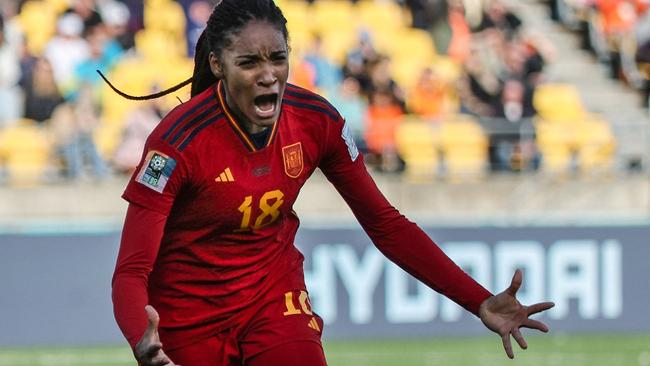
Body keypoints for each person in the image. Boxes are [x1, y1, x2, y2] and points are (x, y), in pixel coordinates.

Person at [109, 1, 554, 365]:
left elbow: (385, 223)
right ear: (217, 64)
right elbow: (131, 270)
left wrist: (478, 300)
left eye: (277, 58)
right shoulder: (176, 143)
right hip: (189, 317)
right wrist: (143, 342)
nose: (268, 75)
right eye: (248, 62)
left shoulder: (316, 120)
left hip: (272, 299)